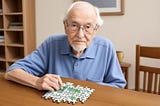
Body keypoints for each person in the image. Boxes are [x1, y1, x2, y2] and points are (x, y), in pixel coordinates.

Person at [5, 1, 126, 91]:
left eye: (88, 27)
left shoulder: (106, 47)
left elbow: (118, 86)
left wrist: (88, 88)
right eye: (74, 25)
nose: (80, 34)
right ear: (65, 26)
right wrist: (37, 81)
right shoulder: (51, 44)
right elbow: (12, 72)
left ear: (95, 29)